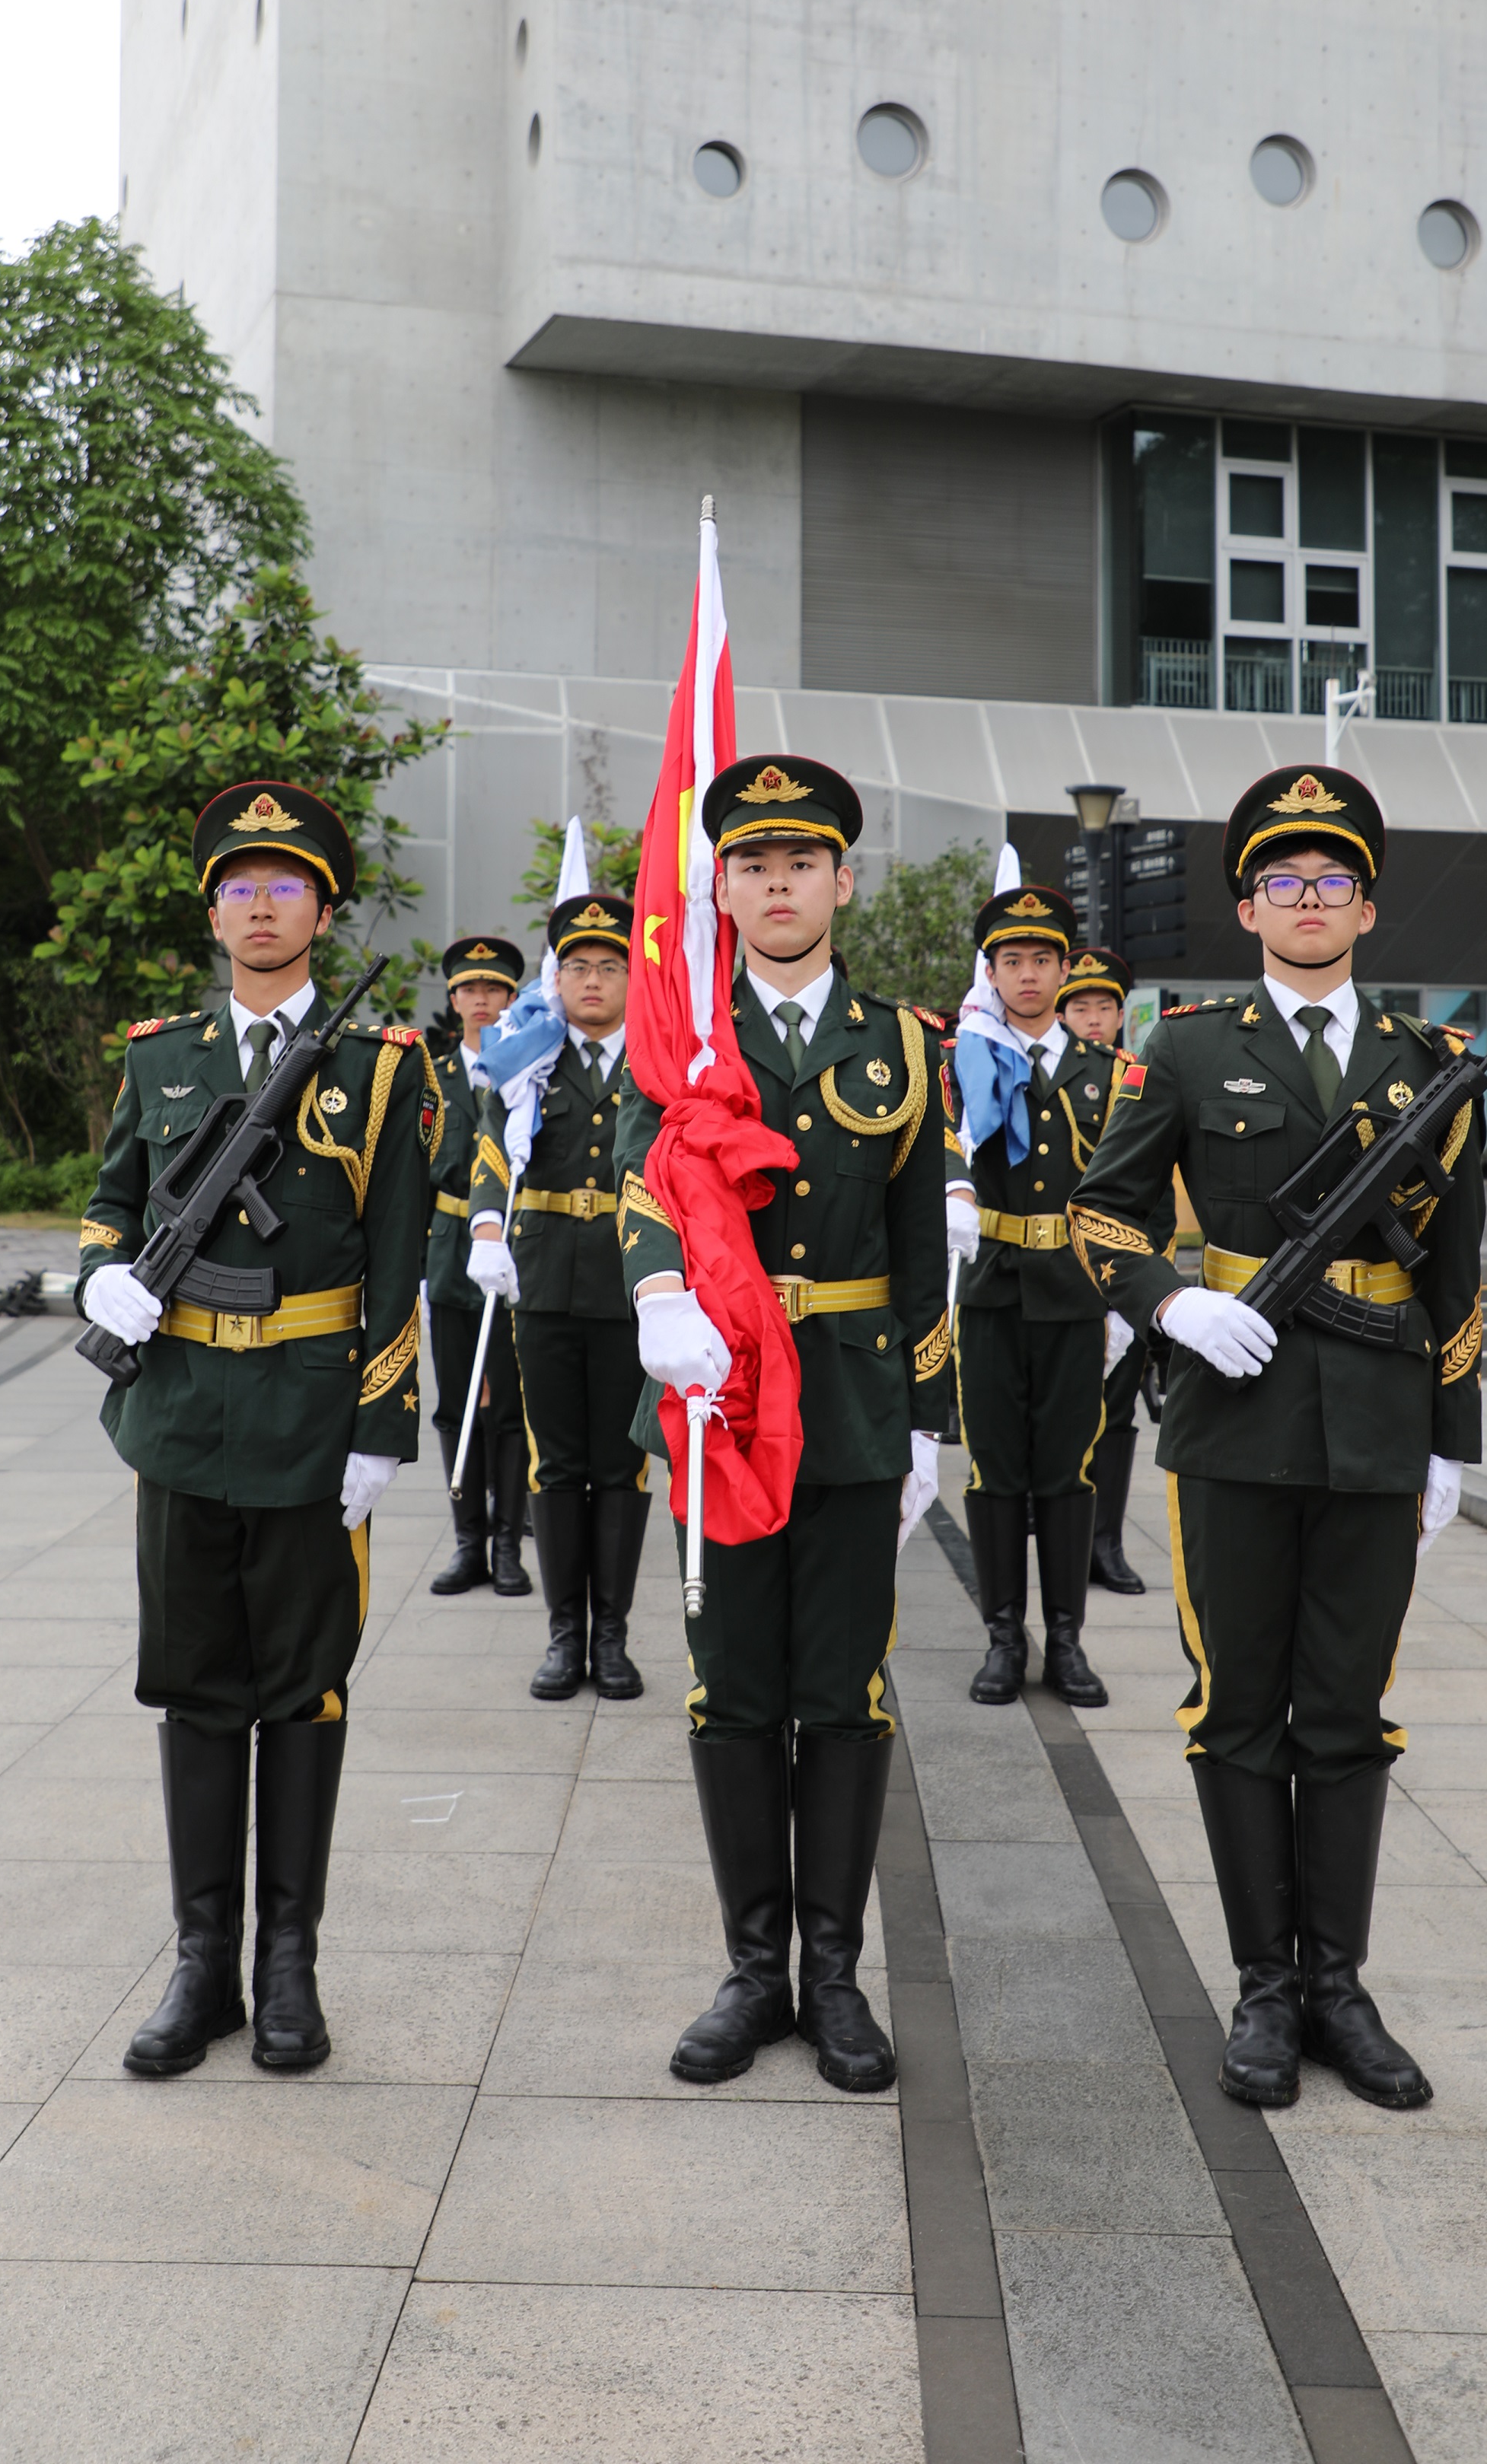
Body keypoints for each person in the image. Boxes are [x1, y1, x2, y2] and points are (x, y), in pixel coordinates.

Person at [1068, 766, 1483, 2115]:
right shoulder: (1184, 1044)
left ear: (1364, 906)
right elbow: (1102, 1214)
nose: (1307, 903)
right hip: (1233, 1420)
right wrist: (1175, 1303)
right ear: (1247, 904)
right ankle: (1262, 1984)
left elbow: (1459, 1271)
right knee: (1235, 1705)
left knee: (1347, 1710)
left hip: (1376, 1420)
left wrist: (1449, 1442)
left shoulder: (1430, 1068)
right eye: (1281, 881)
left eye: (1332, 882)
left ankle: (1336, 1983)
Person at [76, 779, 431, 2078]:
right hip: (176, 1419)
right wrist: (101, 1276)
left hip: (304, 1423)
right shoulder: (160, 1057)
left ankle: (289, 1968)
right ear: (211, 906)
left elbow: (401, 1259)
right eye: (240, 882)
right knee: (192, 1686)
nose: (261, 902)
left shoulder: (383, 1071)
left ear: (324, 911)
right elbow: (113, 1204)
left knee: (302, 1689)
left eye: (287, 883)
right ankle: (200, 1967)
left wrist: (382, 1423)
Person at [617, 756, 950, 2093]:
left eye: (799, 863)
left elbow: (924, 1247)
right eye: (750, 864)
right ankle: (752, 1972)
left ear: (840, 882)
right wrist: (654, 1293)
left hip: (855, 1409)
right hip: (721, 1401)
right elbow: (644, 1175)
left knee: (845, 1692)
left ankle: (834, 1974)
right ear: (722, 886)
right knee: (733, 1689)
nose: (774, 883)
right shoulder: (684, 1035)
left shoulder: (906, 1043)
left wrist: (931, 1418)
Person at [948, 887, 1134, 1710]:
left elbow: (1138, 1197)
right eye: (1012, 961)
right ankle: (1000, 1637)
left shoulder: (1113, 1074)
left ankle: (1066, 1639)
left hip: (1074, 1297)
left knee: (1065, 1471)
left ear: (1065, 970)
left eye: (1043, 960)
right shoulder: (961, 1063)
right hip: (989, 1292)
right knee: (995, 1471)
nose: (1028, 975)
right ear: (989, 971)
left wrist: (1128, 1301)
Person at [468, 893, 650, 1700]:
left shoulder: (655, 1063)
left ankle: (610, 1637)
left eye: (610, 967)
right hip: (540, 1281)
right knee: (556, 1465)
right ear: (558, 976)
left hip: (626, 1281)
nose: (592, 981)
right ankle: (562, 1634)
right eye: (577, 966)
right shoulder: (525, 1058)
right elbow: (488, 1153)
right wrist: (482, 1229)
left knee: (620, 1468)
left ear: (632, 978)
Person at [424, 934, 532, 1599]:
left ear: (514, 998)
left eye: (495, 989)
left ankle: (508, 1542)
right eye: (470, 989)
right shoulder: (426, 1076)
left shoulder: (530, 1072)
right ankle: (468, 1541)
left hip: (515, 1251)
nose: (482, 1000)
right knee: (456, 1401)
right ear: (454, 998)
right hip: (448, 1250)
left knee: (510, 1405)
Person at [1057, 946, 1155, 1594]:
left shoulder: (1141, 1078)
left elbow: (1153, 1187)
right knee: (1054, 1415)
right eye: (1081, 1007)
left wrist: (1141, 1288)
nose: (1093, 1019)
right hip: (1053, 1277)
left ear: (1122, 1014)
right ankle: (1058, 1541)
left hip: (1120, 1279)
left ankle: (1106, 1544)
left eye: (1105, 1007)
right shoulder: (1037, 1078)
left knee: (1116, 1418)